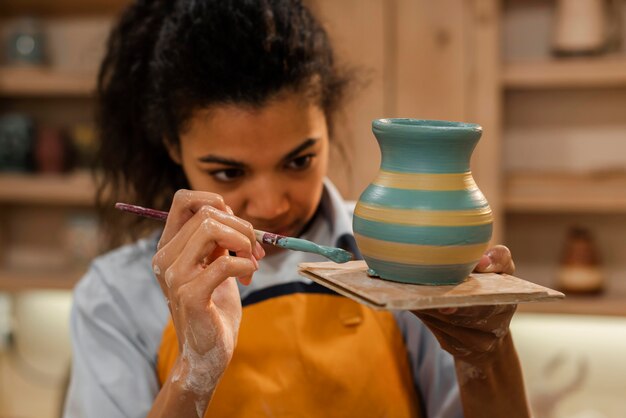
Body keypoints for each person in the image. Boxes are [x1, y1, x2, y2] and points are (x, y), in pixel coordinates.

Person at [63, 1, 531, 417]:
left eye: (298, 161)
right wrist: (195, 372)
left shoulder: (398, 257)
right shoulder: (115, 297)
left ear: (329, 124)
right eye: (228, 173)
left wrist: (487, 356)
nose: (270, 204)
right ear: (172, 146)